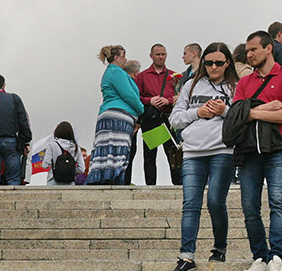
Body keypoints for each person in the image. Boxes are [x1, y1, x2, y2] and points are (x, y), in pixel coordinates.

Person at [168, 41, 240, 271]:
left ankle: (220, 247)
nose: (214, 67)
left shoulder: (236, 86)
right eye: (209, 63)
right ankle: (186, 255)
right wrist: (197, 112)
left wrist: (224, 111)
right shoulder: (190, 84)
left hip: (223, 150)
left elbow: (242, 118)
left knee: (215, 202)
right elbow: (175, 119)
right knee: (190, 204)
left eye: (219, 63)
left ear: (227, 62)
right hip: (192, 152)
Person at [235, 30, 282, 271]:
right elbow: (236, 117)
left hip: (277, 150)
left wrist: (253, 111)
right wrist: (265, 108)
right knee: (250, 206)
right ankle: (259, 256)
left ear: (269, 48)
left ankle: (276, 257)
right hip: (249, 150)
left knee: (278, 203)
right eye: (247, 50)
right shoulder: (244, 82)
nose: (249, 54)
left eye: (253, 49)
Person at [87, 45, 146, 185]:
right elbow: (128, 94)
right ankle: (112, 177)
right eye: (123, 56)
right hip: (118, 114)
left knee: (107, 148)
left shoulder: (111, 72)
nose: (125, 59)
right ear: (117, 58)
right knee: (117, 149)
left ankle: (103, 176)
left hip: (110, 112)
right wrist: (141, 110)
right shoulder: (117, 72)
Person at [132, 44, 181, 186]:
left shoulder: (174, 76)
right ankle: (150, 186)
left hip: (167, 119)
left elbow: (181, 97)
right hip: (151, 120)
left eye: (163, 54)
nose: (161, 57)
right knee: (149, 156)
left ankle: (179, 185)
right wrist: (150, 100)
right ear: (151, 56)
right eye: (158, 54)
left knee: (173, 154)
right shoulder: (142, 76)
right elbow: (136, 98)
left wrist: (169, 100)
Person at [44, 121, 86, 185]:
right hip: (70, 182)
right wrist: (69, 170)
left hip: (53, 180)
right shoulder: (76, 148)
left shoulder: (52, 145)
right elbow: (81, 169)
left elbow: (45, 165)